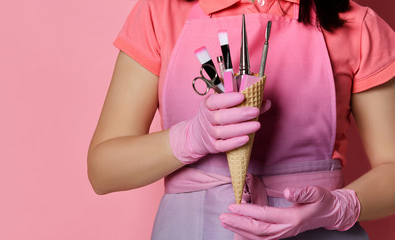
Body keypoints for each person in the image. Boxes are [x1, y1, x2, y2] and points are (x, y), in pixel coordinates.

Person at [88, 0, 395, 239]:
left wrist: (341, 207)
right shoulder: (160, 13)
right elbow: (103, 171)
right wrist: (190, 138)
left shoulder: (358, 25)